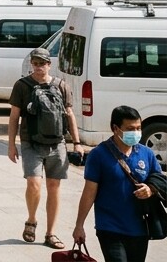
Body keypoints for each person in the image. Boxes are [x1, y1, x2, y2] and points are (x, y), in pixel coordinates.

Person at [8, 46, 84, 250]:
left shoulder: (61, 85)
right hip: (30, 142)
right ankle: (31, 221)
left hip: (57, 142)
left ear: (49, 64)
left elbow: (69, 114)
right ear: (31, 64)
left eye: (42, 63)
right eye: (35, 63)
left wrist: (76, 142)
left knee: (54, 187)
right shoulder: (22, 85)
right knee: (33, 183)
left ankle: (51, 233)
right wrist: (11, 145)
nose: (38, 67)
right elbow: (14, 117)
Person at [73, 105, 163, 262]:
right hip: (109, 227)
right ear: (115, 128)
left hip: (140, 228)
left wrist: (151, 189)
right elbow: (89, 192)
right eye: (130, 128)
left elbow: (159, 180)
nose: (135, 133)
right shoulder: (98, 155)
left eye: (138, 128)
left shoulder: (146, 153)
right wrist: (79, 225)